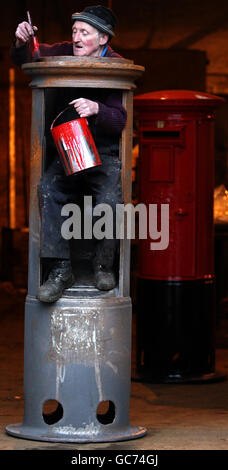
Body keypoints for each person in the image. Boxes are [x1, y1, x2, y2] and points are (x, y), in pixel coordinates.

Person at [11, 5, 127, 302]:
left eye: (84, 33)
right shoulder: (63, 52)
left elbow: (120, 119)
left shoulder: (117, 64)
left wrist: (97, 108)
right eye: (74, 31)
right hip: (68, 147)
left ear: (103, 38)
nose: (76, 38)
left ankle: (103, 264)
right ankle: (61, 269)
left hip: (102, 151)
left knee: (110, 199)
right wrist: (22, 41)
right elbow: (30, 56)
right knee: (49, 189)